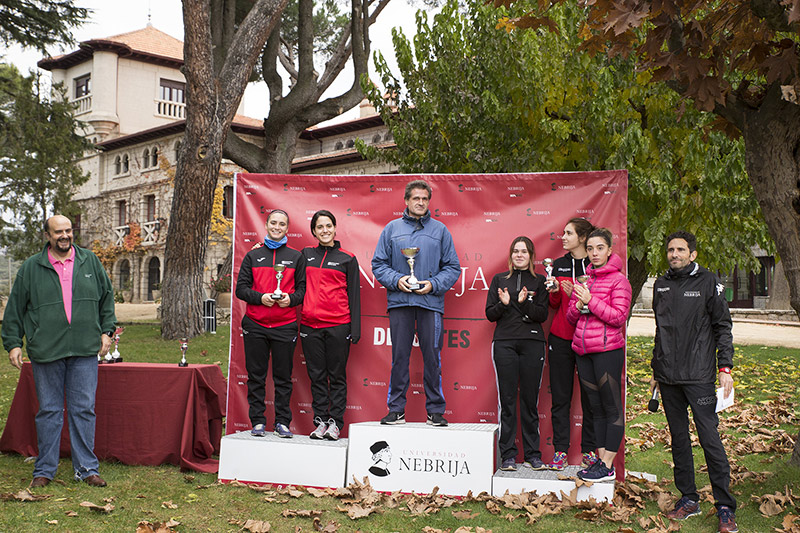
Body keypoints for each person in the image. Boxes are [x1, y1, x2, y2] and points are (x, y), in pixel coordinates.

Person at [2, 215, 116, 488]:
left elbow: (106, 298)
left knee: (83, 410)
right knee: (49, 411)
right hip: (46, 350)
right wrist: (13, 343)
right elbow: (15, 308)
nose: (64, 236)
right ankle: (44, 469)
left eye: (68, 230)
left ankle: (86, 469)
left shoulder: (90, 261)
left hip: (84, 349)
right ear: (47, 236)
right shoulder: (31, 267)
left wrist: (107, 331)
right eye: (58, 232)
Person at [651, 231, 738, 533]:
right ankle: (688, 499)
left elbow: (723, 326)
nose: (674, 254)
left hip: (699, 376)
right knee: (679, 440)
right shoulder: (661, 284)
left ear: (693, 254)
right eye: (670, 250)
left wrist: (725, 367)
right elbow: (660, 330)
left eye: (680, 250)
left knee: (710, 440)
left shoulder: (708, 282)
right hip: (668, 377)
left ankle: (725, 507)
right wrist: (655, 370)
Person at [372, 179, 460, 426]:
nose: (420, 203)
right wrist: (397, 280)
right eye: (416, 198)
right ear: (406, 201)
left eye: (424, 199)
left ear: (428, 201)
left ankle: (435, 411)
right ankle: (396, 409)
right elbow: (378, 264)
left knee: (432, 357)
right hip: (400, 302)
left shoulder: (440, 230)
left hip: (430, 303)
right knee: (399, 357)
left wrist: (433, 284)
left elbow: (453, 267)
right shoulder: (391, 229)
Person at [565, 227, 631, 482]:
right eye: (590, 249)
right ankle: (602, 465)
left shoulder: (619, 281)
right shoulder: (585, 280)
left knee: (611, 408)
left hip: (607, 351)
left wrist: (591, 301)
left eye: (600, 248)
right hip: (583, 351)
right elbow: (571, 317)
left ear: (610, 250)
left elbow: (618, 317)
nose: (594, 253)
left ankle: (607, 463)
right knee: (595, 409)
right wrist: (579, 303)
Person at [235, 209, 305, 438]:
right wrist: (261, 298)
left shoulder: (296, 257)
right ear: (266, 225)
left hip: (285, 326)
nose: (277, 227)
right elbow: (241, 289)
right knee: (256, 376)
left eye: (282, 224)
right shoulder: (253, 256)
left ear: (287, 228)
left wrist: (290, 300)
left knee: (283, 378)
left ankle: (282, 422)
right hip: (255, 325)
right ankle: (257, 421)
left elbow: (302, 290)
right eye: (273, 223)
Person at [485, 236, 549, 471]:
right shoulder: (499, 279)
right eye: (515, 251)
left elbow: (542, 315)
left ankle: (533, 454)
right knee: (508, 400)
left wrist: (523, 304)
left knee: (530, 401)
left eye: (524, 251)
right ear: (511, 255)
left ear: (531, 256)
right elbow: (490, 314)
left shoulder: (540, 281)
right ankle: (508, 455)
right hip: (505, 343)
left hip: (533, 343)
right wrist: (503, 304)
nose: (519, 255)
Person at [300, 210, 361, 441]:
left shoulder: (348, 258)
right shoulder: (305, 255)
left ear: (335, 228)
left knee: (336, 377)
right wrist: (259, 248)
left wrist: (355, 329)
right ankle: (320, 422)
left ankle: (335, 423)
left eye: (328, 226)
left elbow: (354, 295)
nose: (325, 230)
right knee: (316, 376)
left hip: (338, 325)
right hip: (309, 326)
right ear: (314, 231)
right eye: (320, 227)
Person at [544, 218, 598, 470]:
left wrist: (574, 291)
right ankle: (560, 451)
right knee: (561, 397)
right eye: (563, 233)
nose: (563, 237)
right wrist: (555, 291)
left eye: (568, 233)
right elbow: (554, 305)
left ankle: (589, 450)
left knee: (590, 398)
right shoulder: (559, 264)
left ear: (583, 238)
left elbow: (600, 299)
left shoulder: (596, 264)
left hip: (589, 338)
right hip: (561, 337)